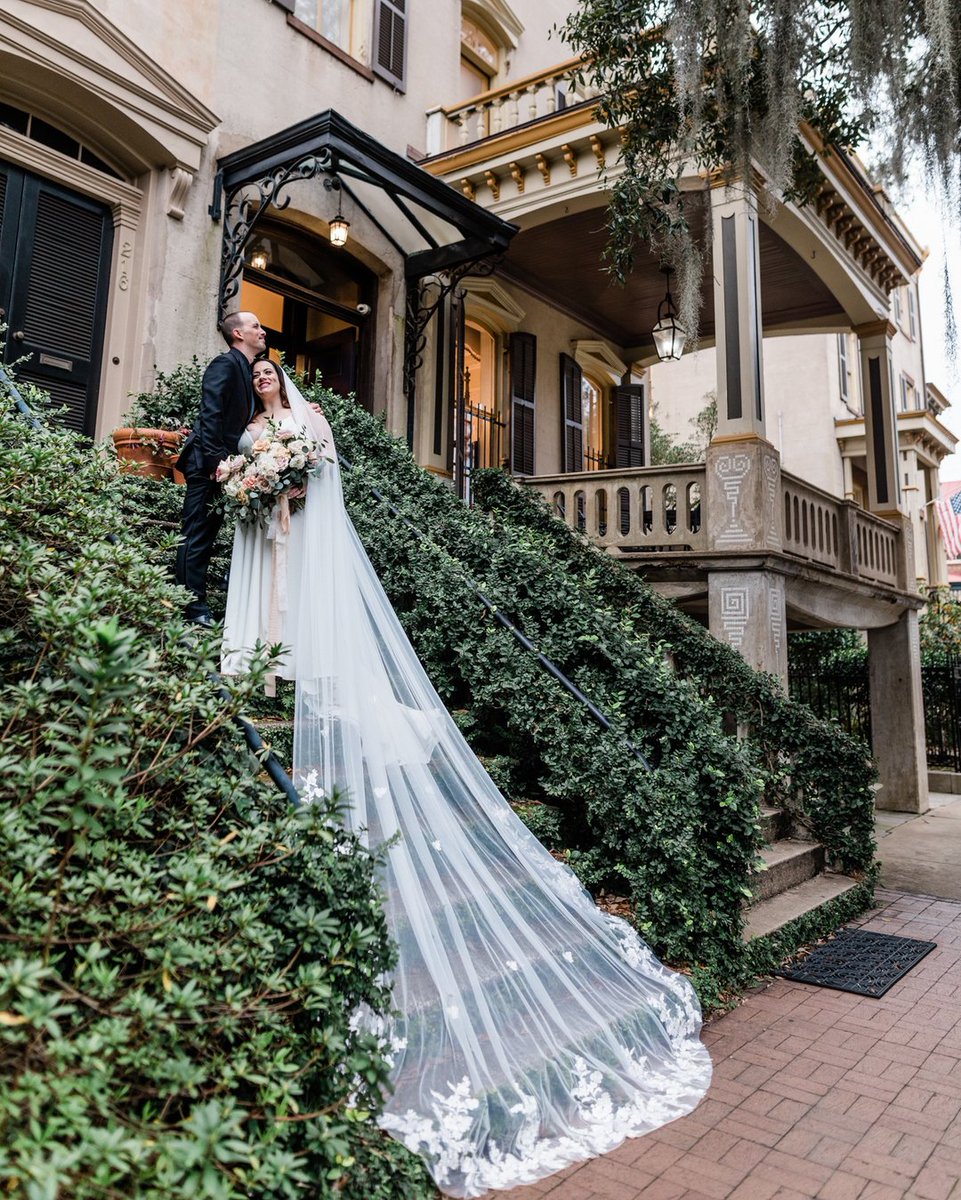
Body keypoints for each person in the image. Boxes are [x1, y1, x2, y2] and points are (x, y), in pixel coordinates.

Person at [222, 370, 712, 1198]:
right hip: (260, 528)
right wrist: (249, 478)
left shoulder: (304, 426)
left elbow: (318, 467)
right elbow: (250, 460)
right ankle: (262, 660)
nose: (265, 379)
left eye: (272, 372)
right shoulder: (247, 424)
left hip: (296, 526)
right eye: (260, 371)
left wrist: (284, 476)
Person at [174, 311, 267, 627]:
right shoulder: (225, 364)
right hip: (207, 464)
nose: (262, 330)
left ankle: (193, 602)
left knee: (206, 535)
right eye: (255, 326)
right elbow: (210, 415)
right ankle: (190, 608)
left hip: (224, 467)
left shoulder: (247, 370)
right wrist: (218, 465)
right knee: (196, 535)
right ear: (238, 334)